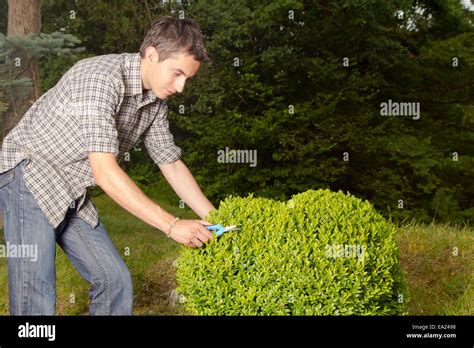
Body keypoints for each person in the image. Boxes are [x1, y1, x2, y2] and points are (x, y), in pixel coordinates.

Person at [0, 16, 215, 315]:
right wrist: (172, 225)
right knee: (35, 292)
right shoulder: (99, 79)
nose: (180, 87)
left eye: (187, 79)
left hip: (71, 187)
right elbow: (104, 171)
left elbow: (170, 161)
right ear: (152, 54)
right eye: (177, 73)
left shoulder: (155, 101)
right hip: (30, 173)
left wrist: (217, 218)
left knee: (115, 281)